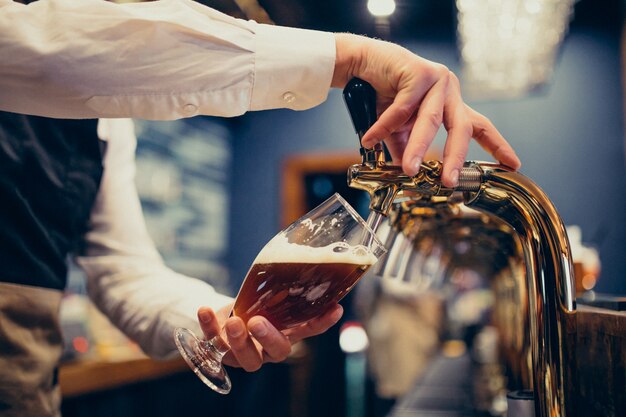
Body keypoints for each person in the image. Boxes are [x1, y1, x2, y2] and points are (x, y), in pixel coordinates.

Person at [0, 0, 522, 416]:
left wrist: (221, 321)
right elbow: (53, 48)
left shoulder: (101, 121)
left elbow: (121, 272)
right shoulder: (21, 37)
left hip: (29, 392)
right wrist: (350, 58)